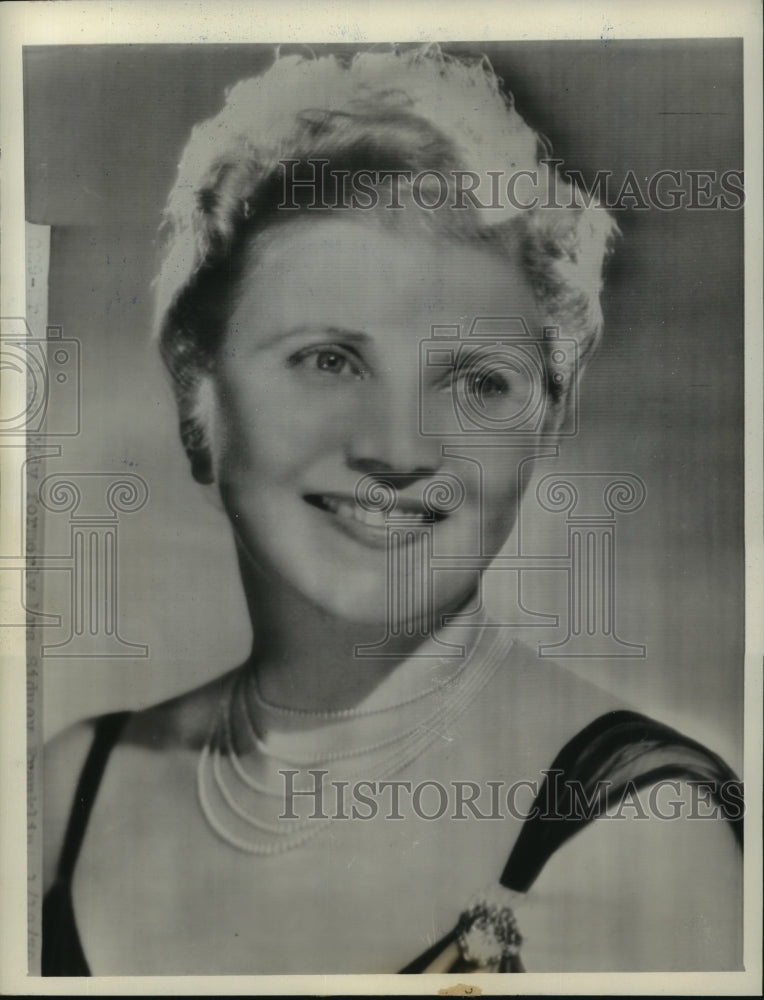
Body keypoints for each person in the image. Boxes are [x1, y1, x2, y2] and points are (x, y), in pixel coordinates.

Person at [41, 43, 742, 976]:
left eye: (477, 382)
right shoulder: (61, 791)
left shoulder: (644, 831)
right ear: (197, 394)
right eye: (330, 359)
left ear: (547, 424)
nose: (401, 449)